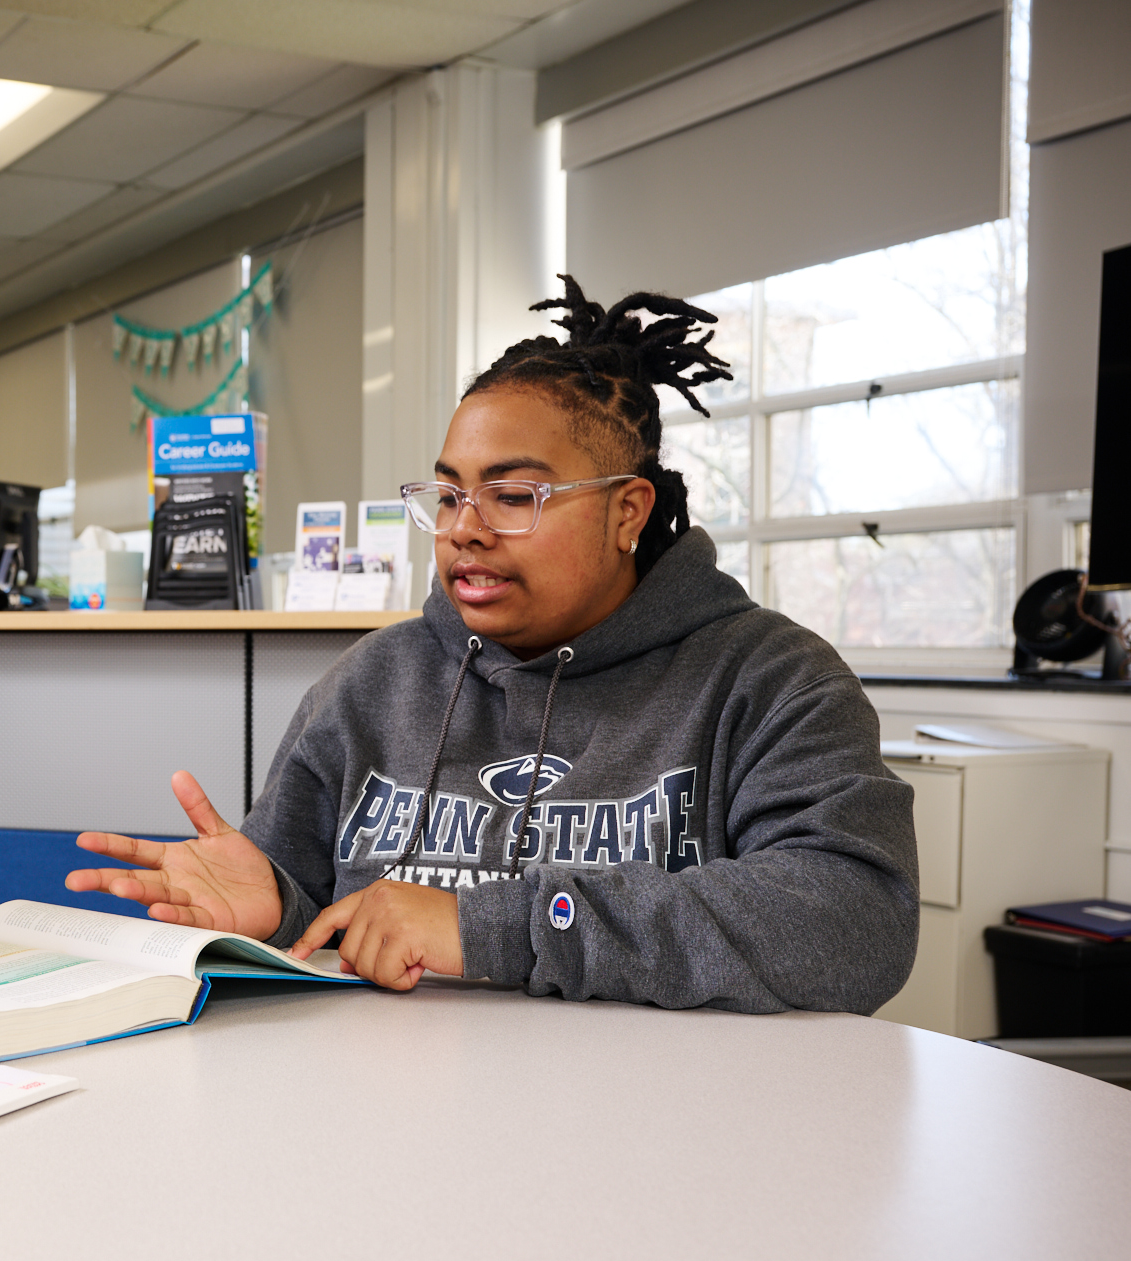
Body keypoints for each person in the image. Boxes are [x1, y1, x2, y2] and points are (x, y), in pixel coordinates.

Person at [68, 277, 918, 1014]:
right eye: (446, 496)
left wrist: (492, 927)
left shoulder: (768, 681)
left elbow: (853, 920)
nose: (464, 531)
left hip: (660, 1141)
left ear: (628, 510)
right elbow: (319, 925)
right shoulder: (371, 684)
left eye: (513, 495)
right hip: (394, 1129)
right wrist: (278, 910)